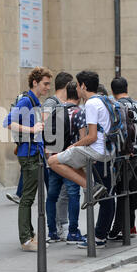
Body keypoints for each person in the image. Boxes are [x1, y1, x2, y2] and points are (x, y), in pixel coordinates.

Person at [48, 70, 114, 249]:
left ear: (83, 86)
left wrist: (74, 145)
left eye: (77, 85)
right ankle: (100, 233)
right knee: (107, 196)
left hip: (95, 151)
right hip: (108, 152)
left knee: (53, 162)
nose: (76, 88)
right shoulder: (104, 100)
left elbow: (91, 137)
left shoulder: (92, 103)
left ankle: (90, 187)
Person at [4, 66, 52, 252]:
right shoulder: (26, 101)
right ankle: (26, 240)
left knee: (30, 197)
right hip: (29, 154)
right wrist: (32, 130)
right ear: (35, 82)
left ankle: (30, 235)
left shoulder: (34, 101)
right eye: (45, 84)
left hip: (35, 153)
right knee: (27, 198)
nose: (48, 87)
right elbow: (9, 122)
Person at [107, 78, 137, 241]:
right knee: (128, 189)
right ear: (127, 88)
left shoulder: (115, 106)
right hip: (135, 154)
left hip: (119, 155)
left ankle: (117, 229)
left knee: (121, 191)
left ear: (112, 91)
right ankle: (127, 226)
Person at [45, 81, 87, 244]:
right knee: (73, 194)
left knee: (52, 196)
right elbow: (84, 139)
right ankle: (73, 232)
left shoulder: (55, 110)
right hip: (69, 160)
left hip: (53, 158)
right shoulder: (78, 112)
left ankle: (53, 232)